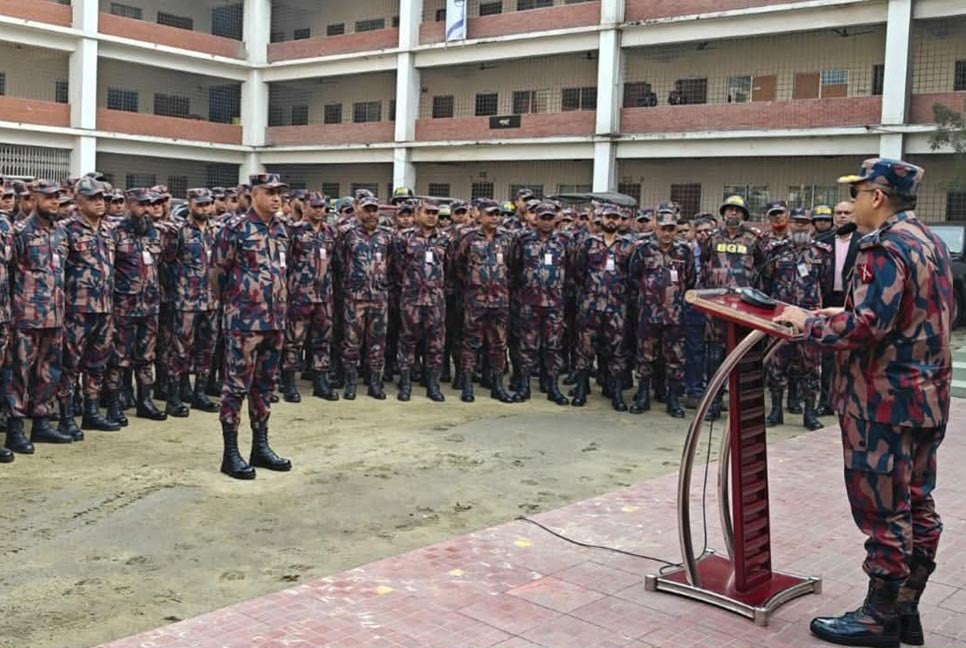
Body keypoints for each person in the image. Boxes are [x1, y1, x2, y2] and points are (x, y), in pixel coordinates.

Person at [775, 159, 951, 648]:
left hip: (882, 403)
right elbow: (911, 313)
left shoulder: (883, 247)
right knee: (916, 501)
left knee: (883, 508)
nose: (850, 203)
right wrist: (847, 311)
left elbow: (865, 328)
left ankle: (879, 617)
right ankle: (906, 607)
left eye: (856, 193)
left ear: (878, 197)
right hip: (925, 398)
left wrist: (803, 321)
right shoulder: (928, 242)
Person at [210, 173, 292, 480]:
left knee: (265, 386)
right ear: (253, 194)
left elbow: (285, 271)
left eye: (279, 193)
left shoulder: (283, 229)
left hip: (275, 321)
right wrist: (236, 303)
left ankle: (261, 446)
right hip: (244, 321)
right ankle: (230, 453)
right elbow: (217, 273)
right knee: (236, 388)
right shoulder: (234, 228)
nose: (276, 198)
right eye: (269, 192)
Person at [5, 180, 72, 453]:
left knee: (50, 371)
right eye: (49, 198)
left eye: (57, 198)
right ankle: (15, 429)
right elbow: (8, 275)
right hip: (26, 317)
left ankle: (41, 423)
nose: (55, 202)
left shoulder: (60, 233)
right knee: (18, 373)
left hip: (54, 316)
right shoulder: (19, 233)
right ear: (33, 199)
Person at [758, 207, 830, 430]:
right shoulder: (777, 250)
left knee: (810, 366)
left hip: (809, 317)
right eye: (796, 222)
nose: (800, 226)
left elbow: (825, 283)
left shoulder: (821, 252)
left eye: (805, 223)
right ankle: (776, 410)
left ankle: (809, 414)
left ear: (811, 225)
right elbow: (767, 280)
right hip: (781, 315)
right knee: (777, 364)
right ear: (790, 223)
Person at [105, 189, 168, 425]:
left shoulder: (155, 233)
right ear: (130, 205)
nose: (146, 210)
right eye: (141, 205)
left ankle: (145, 401)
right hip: (124, 306)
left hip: (150, 306)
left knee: (146, 357)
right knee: (118, 358)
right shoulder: (116, 233)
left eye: (150, 205)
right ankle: (114, 404)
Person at [508, 201, 570, 406]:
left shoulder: (564, 241)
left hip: (554, 303)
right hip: (529, 302)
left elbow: (573, 270)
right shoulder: (523, 240)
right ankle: (524, 385)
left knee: (553, 346)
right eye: (542, 217)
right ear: (535, 219)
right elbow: (514, 267)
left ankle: (552, 386)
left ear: (555, 220)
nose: (546, 221)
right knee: (527, 346)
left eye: (549, 218)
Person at [390, 198, 450, 402]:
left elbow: (451, 267)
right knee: (407, 340)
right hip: (411, 298)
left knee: (435, 343)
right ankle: (405, 382)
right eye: (428, 212)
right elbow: (397, 267)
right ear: (417, 214)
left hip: (435, 300)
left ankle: (432, 383)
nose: (432, 216)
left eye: (435, 213)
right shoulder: (403, 238)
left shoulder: (444, 239)